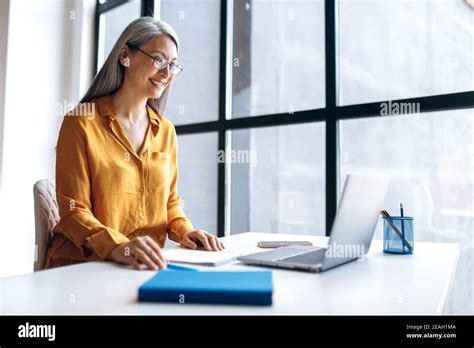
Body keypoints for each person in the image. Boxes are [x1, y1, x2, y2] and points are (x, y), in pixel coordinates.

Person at [45, 17, 224, 271]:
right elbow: (75, 212)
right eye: (159, 60)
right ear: (125, 56)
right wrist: (119, 246)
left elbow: (170, 203)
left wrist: (186, 231)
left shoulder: (166, 132)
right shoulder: (81, 122)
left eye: (173, 66)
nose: (166, 73)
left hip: (142, 267)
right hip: (81, 266)